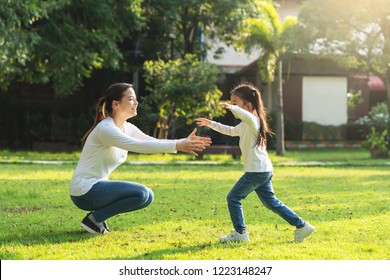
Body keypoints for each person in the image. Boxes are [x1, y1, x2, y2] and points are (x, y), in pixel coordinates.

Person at [70, 82, 211, 234]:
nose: (136, 103)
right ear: (116, 104)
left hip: (97, 188)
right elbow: (137, 145)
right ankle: (93, 220)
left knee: (147, 196)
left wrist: (181, 142)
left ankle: (96, 220)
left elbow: (150, 141)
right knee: (142, 193)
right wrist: (177, 145)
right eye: (131, 99)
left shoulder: (127, 127)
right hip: (85, 191)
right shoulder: (106, 129)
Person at [196, 82, 315, 243]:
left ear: (248, 105)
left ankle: (240, 233)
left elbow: (246, 116)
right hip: (262, 170)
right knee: (271, 203)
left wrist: (232, 108)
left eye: (235, 102)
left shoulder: (254, 120)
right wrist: (211, 123)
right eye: (231, 103)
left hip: (256, 172)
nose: (232, 106)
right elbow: (230, 131)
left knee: (233, 198)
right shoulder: (245, 124)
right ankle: (302, 226)